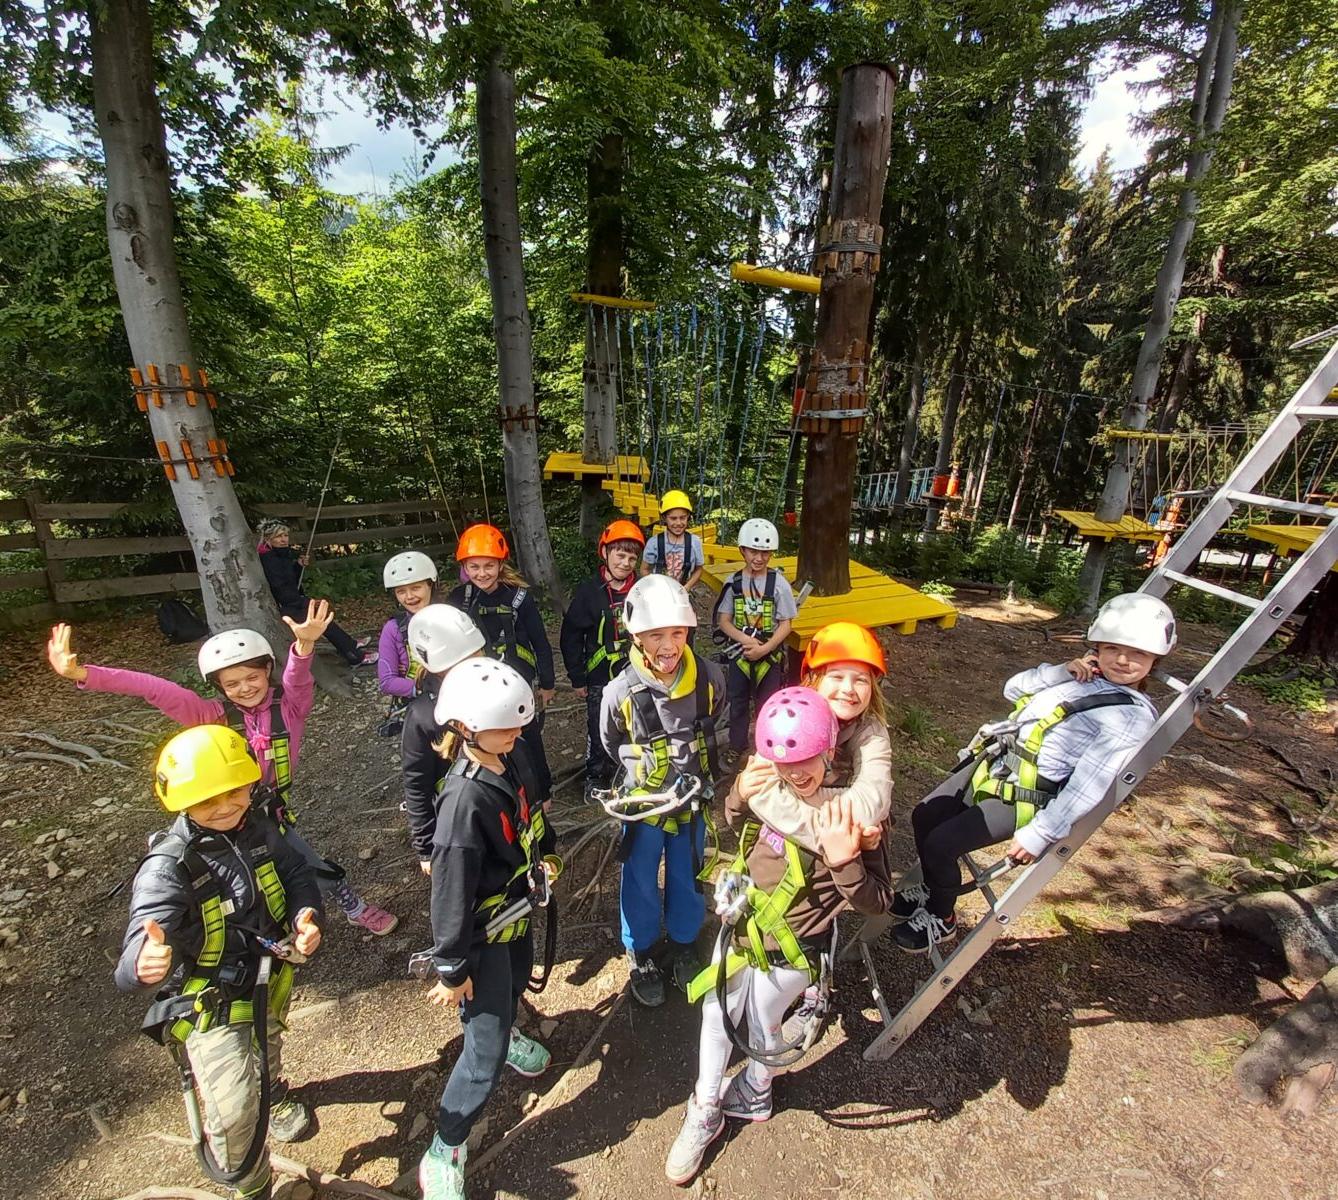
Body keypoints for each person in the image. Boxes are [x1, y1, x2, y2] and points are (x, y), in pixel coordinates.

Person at [47, 611, 398, 936]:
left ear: (267, 671)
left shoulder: (291, 707)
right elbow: (154, 689)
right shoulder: (210, 715)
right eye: (232, 683)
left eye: (252, 677)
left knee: (304, 862)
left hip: (264, 812)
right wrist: (84, 674)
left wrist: (304, 646)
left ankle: (353, 907)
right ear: (219, 687)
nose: (245, 688)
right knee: (215, 878)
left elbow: (297, 678)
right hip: (215, 813)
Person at [665, 688, 892, 1185]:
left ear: (828, 750)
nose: (796, 772)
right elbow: (737, 824)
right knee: (717, 1013)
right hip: (744, 928)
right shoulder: (774, 790)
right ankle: (706, 1105)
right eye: (785, 763)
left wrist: (845, 861)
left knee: (763, 1022)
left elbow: (879, 900)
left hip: (794, 949)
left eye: (806, 759)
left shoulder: (853, 816)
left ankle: (757, 1085)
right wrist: (739, 794)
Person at [892, 592, 1171, 953]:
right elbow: (1013, 688)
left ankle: (941, 915)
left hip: (1030, 793)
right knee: (924, 815)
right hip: (996, 765)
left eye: (1137, 654)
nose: (1122, 660)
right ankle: (933, 888)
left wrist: (1042, 832)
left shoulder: (1129, 717)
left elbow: (1090, 782)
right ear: (1097, 647)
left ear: (1154, 659)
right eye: (1113, 648)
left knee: (942, 843)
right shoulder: (1081, 677)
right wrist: (1060, 672)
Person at [117, 724, 324, 1200]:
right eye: (208, 800)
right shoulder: (168, 867)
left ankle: (273, 1092)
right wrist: (141, 963)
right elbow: (141, 934)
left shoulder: (258, 827)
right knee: (232, 1113)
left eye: (234, 792)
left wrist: (306, 913)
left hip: (266, 975)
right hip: (210, 1001)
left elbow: (296, 872)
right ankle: (252, 1186)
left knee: (267, 1043)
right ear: (181, 802)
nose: (226, 806)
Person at [416, 659, 556, 1200]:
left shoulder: (509, 757)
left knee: (517, 982)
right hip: (482, 934)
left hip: (514, 913)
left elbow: (531, 817)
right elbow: (450, 892)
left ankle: (507, 1028)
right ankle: (446, 1145)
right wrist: (453, 968)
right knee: (483, 1051)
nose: (517, 733)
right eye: (504, 726)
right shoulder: (463, 802)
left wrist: (547, 857)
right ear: (465, 728)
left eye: (519, 724)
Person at [733, 620, 895, 1040]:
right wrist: (742, 793)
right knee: (791, 902)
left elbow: (872, 800)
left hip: (846, 854)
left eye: (861, 679)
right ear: (813, 679)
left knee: (824, 917)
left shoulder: (870, 732)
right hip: (806, 847)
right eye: (837, 676)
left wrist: (841, 834)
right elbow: (759, 789)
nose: (848, 689)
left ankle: (816, 986)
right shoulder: (789, 716)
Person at [600, 574, 727, 1006]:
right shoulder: (621, 692)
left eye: (677, 633)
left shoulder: (708, 679)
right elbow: (611, 741)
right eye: (656, 635)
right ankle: (641, 949)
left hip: (691, 801)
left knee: (687, 871)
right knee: (639, 876)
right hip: (644, 806)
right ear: (636, 637)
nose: (668, 646)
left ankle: (684, 940)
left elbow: (717, 715)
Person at [447, 523, 555, 795]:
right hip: (478, 683)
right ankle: (498, 787)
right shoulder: (459, 599)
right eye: (474, 567)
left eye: (489, 566)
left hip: (517, 680)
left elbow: (540, 641)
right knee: (486, 735)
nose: (482, 573)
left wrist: (547, 683)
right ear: (464, 567)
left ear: (500, 564)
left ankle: (541, 792)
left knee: (527, 735)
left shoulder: (518, 598)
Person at [559, 518, 644, 797]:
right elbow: (571, 636)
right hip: (600, 677)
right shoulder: (589, 592)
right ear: (605, 552)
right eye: (620, 555)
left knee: (637, 723)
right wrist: (577, 677)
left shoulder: (642, 589)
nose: (626, 563)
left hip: (637, 672)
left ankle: (630, 772)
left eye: (632, 557)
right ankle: (596, 777)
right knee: (599, 727)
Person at [399, 603, 486, 873]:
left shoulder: (491, 689)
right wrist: (425, 848)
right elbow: (417, 783)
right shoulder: (424, 715)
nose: (476, 663)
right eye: (464, 659)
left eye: (477, 654)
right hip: (457, 820)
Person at [713, 518, 796, 759]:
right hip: (740, 653)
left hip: (769, 656)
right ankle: (736, 746)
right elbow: (724, 621)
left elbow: (786, 624)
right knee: (737, 701)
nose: (759, 558)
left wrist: (765, 648)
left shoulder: (779, 585)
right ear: (743, 550)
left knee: (768, 704)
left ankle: (766, 749)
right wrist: (746, 641)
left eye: (765, 553)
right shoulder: (734, 583)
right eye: (753, 552)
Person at [256, 519, 376, 668]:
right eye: (278, 536)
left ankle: (351, 645)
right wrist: (303, 602)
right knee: (322, 621)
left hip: (293, 600)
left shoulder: (281, 554)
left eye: (285, 535)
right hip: (287, 606)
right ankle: (356, 657)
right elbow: (279, 587)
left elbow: (291, 579)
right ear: (268, 539)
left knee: (324, 618)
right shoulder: (269, 560)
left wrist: (298, 565)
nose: (284, 539)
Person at [377, 551, 442, 736]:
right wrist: (423, 688)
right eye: (401, 591)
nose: (409, 597)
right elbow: (387, 681)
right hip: (418, 701)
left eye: (416, 588)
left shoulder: (450, 617)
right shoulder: (393, 629)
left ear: (430, 585)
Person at [640, 490, 704, 591]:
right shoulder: (654, 543)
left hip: (682, 591)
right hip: (659, 591)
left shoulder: (694, 542)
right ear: (664, 518)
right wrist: (653, 586)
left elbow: (699, 569)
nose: (678, 523)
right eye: (673, 518)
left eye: (682, 518)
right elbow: (644, 569)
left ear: (688, 516)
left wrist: (687, 586)